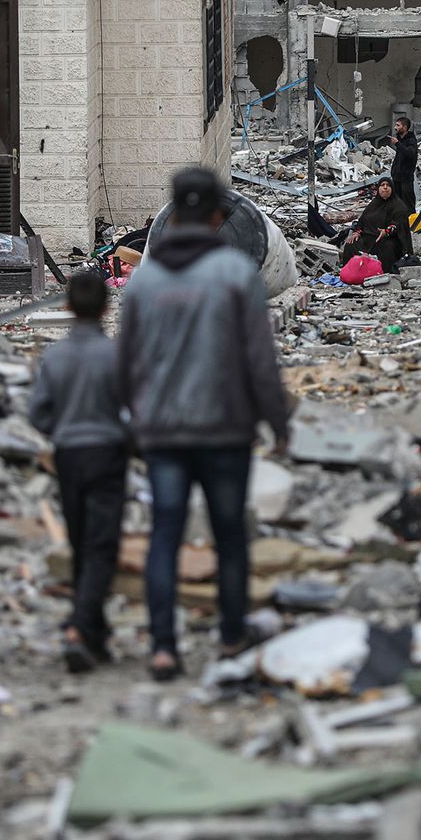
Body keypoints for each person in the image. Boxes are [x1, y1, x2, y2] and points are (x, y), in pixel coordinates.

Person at [118, 167, 291, 680]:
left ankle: (164, 647)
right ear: (218, 215)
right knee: (228, 534)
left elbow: (127, 362)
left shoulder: (144, 281)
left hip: (163, 432)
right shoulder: (237, 276)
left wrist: (130, 425)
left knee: (166, 535)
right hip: (225, 430)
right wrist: (277, 422)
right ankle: (232, 635)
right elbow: (259, 360)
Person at [27, 271, 125, 675]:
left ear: (67, 307)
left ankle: (95, 634)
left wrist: (61, 430)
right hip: (106, 452)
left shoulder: (55, 357)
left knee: (82, 540)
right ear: (106, 307)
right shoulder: (115, 356)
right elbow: (133, 408)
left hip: (68, 455)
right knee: (102, 544)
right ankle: (79, 628)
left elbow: (37, 412)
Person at [336, 178, 414, 273]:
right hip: (368, 238)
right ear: (378, 188)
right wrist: (357, 232)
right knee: (350, 245)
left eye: (388, 185)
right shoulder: (373, 204)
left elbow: (399, 224)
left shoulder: (399, 206)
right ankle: (350, 273)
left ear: (392, 188)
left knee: (388, 248)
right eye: (382, 185)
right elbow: (362, 221)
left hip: (388, 239)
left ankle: (384, 274)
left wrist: (386, 231)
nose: (385, 188)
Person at [382, 116, 419, 209]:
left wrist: (398, 144)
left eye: (398, 125)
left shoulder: (411, 140)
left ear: (405, 128)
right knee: (397, 203)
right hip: (397, 178)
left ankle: (411, 222)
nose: (395, 127)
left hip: (406, 179)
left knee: (408, 203)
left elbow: (410, 154)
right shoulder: (401, 140)